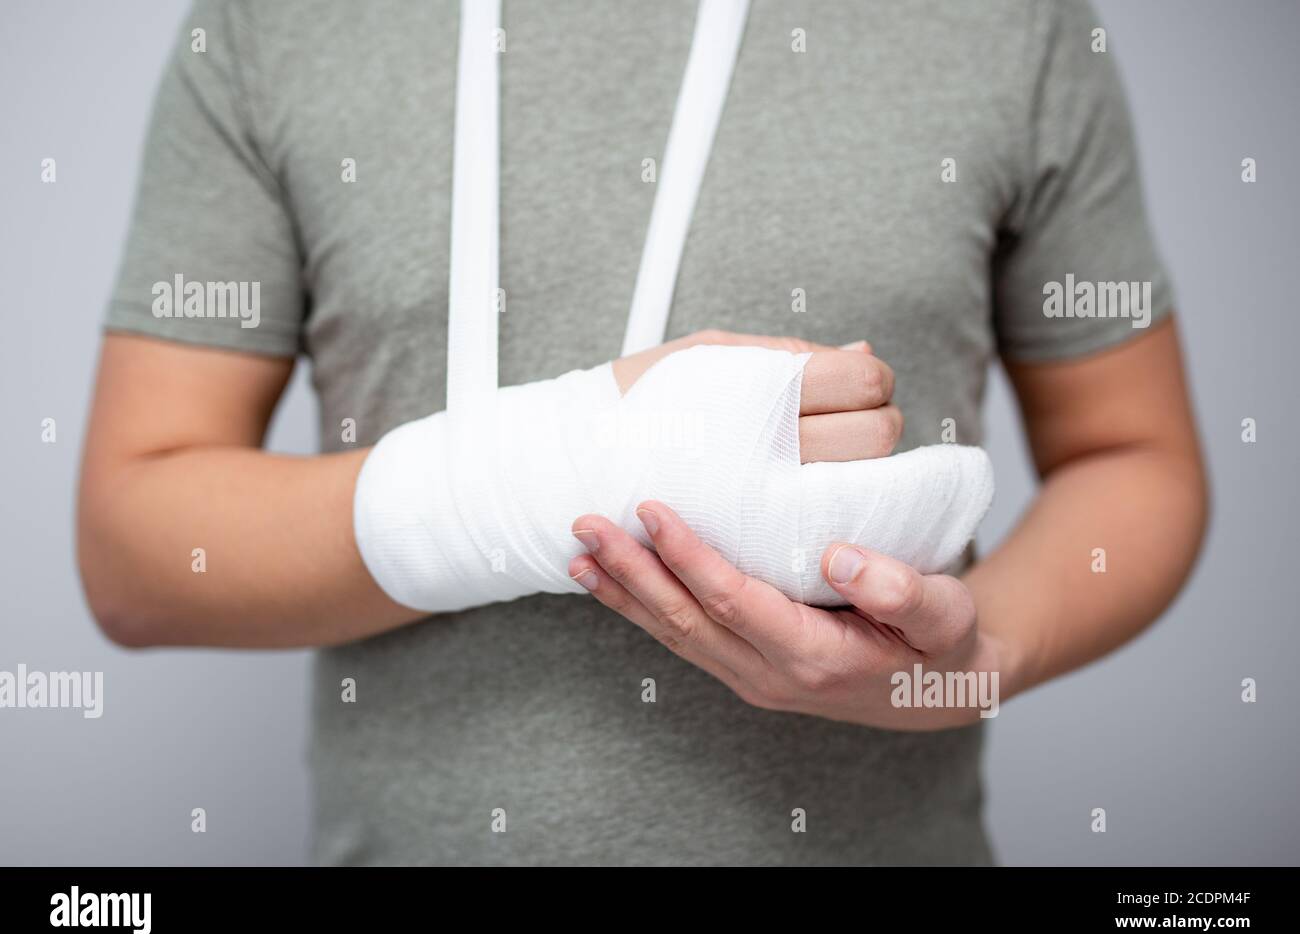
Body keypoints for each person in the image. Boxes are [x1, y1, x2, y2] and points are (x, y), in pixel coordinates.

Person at [77, 0, 1207, 865]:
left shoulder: (1008, 23)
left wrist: (973, 661)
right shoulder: (278, 24)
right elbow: (133, 551)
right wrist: (573, 466)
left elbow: (1133, 455)